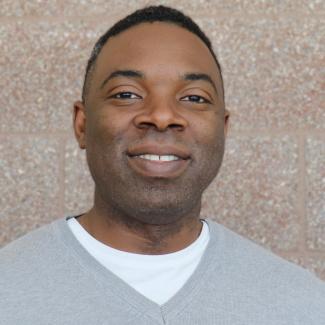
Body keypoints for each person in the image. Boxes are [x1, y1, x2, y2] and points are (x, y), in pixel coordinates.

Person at [1, 5, 324, 325]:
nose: (161, 116)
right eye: (127, 94)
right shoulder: (9, 290)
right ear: (82, 124)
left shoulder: (304, 305)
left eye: (194, 98)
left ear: (223, 129)